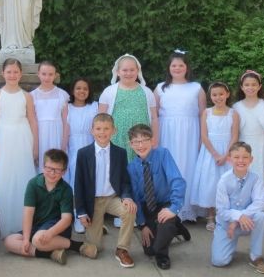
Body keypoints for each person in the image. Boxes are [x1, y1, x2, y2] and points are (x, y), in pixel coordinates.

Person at [99, 54, 158, 228]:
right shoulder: (109, 92)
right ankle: (120, 211)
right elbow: (101, 118)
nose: (128, 73)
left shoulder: (146, 92)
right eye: (125, 70)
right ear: (117, 72)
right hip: (117, 141)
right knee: (119, 173)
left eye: (132, 70)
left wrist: (154, 139)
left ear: (137, 71)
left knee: (139, 175)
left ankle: (137, 211)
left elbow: (154, 118)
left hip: (140, 142)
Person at [74, 113, 137, 267]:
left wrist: (127, 197)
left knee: (130, 209)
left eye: (106, 128)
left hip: (112, 198)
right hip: (92, 201)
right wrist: (81, 211)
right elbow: (79, 184)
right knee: (94, 249)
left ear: (113, 131)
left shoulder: (120, 153)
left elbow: (125, 181)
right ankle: (98, 225)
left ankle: (122, 249)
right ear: (92, 131)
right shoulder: (83, 153)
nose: (102, 132)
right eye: (99, 129)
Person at [127, 124, 190, 270]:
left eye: (144, 140)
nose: (140, 145)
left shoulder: (163, 154)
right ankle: (177, 227)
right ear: (131, 144)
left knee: (160, 238)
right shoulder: (131, 167)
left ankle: (162, 255)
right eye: (136, 141)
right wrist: (142, 225)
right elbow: (136, 197)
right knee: (149, 250)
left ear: (152, 141)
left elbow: (177, 181)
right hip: (148, 207)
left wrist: (174, 208)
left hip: (165, 203)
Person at [4, 149, 81, 265]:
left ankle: (75, 245)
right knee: (9, 241)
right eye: (49, 168)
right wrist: (25, 239)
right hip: (37, 226)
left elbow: (66, 219)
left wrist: (50, 233)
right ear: (43, 167)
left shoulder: (66, 189)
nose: (52, 173)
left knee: (36, 240)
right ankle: (49, 254)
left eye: (57, 170)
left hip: (56, 228)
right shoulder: (33, 184)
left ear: (64, 172)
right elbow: (28, 213)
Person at [0, 58, 38, 237]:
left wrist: (35, 145)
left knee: (23, 175)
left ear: (20, 74)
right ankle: (5, 222)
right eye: (9, 72)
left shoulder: (26, 96)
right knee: (5, 177)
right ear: (3, 73)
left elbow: (32, 120)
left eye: (15, 72)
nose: (12, 75)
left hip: (23, 136)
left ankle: (23, 221)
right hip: (4, 137)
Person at [155, 50, 205, 219]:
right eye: (174, 65)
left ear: (187, 68)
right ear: (169, 68)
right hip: (166, 133)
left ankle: (186, 208)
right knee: (168, 168)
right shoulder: (160, 88)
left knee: (187, 166)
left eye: (181, 65)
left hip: (190, 134)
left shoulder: (196, 87)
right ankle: (167, 207)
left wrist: (202, 140)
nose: (177, 68)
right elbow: (154, 115)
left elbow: (203, 115)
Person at [210, 142, 264, 274]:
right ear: (229, 160)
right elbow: (221, 211)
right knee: (219, 261)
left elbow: (260, 203)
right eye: (236, 157)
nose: (241, 161)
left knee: (262, 216)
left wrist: (239, 218)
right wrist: (237, 217)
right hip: (227, 226)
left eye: (245, 157)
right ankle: (227, 246)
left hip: (248, 223)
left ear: (251, 159)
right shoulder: (223, 181)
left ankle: (256, 256)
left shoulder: (256, 179)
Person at [189, 82, 239, 230]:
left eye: (221, 94)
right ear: (210, 96)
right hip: (210, 152)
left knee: (227, 183)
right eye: (214, 95)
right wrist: (216, 154)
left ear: (227, 94)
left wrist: (225, 155)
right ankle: (210, 216)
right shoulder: (207, 112)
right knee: (210, 182)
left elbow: (234, 136)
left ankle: (225, 215)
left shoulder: (233, 113)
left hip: (228, 152)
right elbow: (204, 135)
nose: (218, 97)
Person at [233, 70, 264, 188]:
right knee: (243, 180)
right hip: (243, 147)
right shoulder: (236, 107)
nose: (250, 87)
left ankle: (259, 205)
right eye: (247, 85)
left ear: (259, 86)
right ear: (242, 87)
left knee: (259, 182)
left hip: (262, 148)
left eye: (254, 84)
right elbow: (235, 133)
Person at [65, 77, 98, 232]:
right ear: (72, 90)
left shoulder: (94, 107)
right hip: (72, 147)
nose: (82, 91)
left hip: (90, 146)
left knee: (90, 182)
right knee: (74, 182)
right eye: (78, 88)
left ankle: (92, 215)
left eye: (85, 88)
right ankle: (78, 215)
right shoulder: (67, 107)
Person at [31, 61, 70, 171]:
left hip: (57, 134)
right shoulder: (32, 96)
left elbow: (66, 121)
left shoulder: (62, 94)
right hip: (40, 134)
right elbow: (32, 121)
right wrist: (35, 146)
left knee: (57, 164)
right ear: (38, 74)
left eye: (50, 74)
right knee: (43, 166)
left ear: (55, 75)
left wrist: (64, 144)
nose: (47, 77)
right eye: (44, 74)